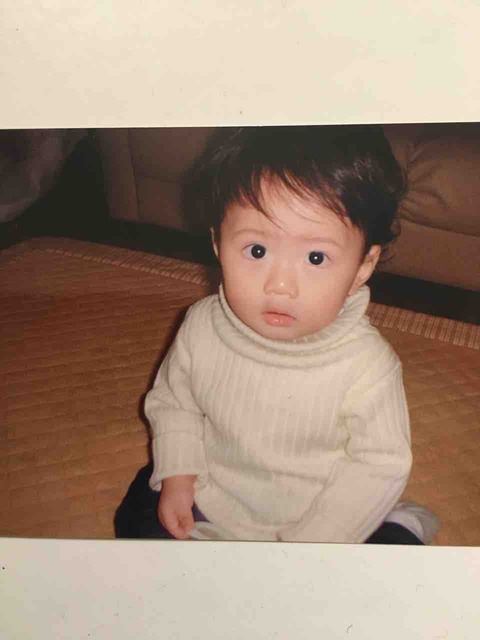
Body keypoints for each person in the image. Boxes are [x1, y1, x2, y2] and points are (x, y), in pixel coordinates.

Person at [115, 125, 440, 545]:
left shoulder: (367, 365)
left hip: (320, 515)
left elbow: (380, 463)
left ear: (363, 266)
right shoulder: (200, 325)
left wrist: (317, 541)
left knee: (375, 569)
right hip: (215, 493)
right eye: (257, 251)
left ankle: (401, 523)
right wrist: (178, 475)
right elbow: (175, 402)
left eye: (316, 257)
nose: (280, 285)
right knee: (137, 520)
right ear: (217, 243)